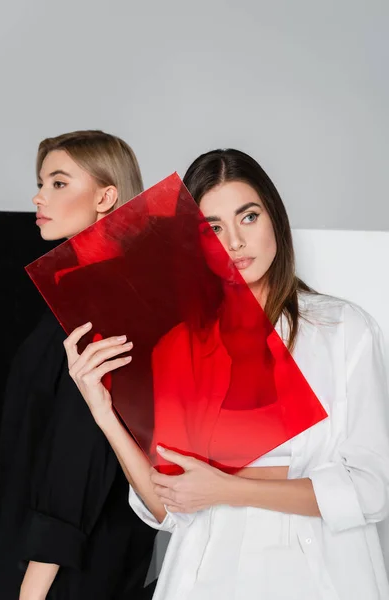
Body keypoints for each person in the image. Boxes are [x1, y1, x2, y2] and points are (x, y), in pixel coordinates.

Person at [64, 149, 389, 599]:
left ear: (274, 218)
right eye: (212, 228)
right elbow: (167, 507)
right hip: (206, 575)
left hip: (318, 576)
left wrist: (227, 488)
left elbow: (370, 489)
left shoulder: (341, 329)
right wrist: (103, 413)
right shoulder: (179, 346)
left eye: (248, 216)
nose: (233, 242)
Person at [0, 130, 157, 600]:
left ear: (106, 196)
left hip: (62, 569)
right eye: (41, 182)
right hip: (44, 551)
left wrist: (32, 586)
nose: (38, 197)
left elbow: (80, 449)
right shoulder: (78, 289)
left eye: (58, 183)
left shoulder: (108, 297)